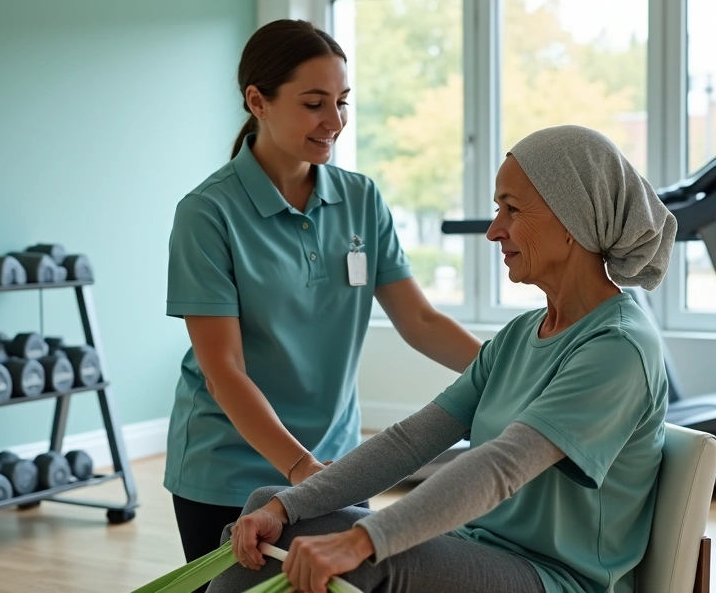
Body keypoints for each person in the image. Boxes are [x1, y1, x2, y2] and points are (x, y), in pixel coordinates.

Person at [206, 125, 680, 593]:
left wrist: (362, 540)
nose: (495, 231)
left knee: (362, 558)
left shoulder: (619, 347)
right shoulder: (520, 335)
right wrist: (287, 507)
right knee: (268, 505)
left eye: (512, 209)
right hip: (478, 546)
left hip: (554, 578)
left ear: (575, 219)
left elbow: (502, 466)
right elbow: (409, 441)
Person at [164, 19, 483, 581]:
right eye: (314, 103)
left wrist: (513, 370)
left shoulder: (360, 198)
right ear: (257, 101)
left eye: (342, 102)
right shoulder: (208, 214)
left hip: (335, 464)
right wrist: (300, 470)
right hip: (229, 468)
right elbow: (224, 371)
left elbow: (420, 319)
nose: (334, 121)